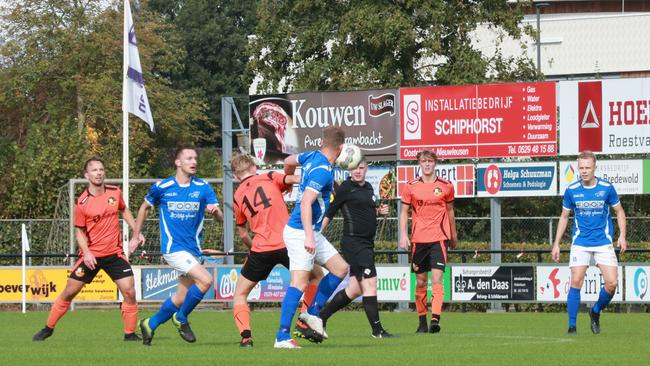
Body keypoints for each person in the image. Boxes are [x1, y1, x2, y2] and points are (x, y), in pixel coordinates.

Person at [32, 157, 144, 341]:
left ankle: (130, 334)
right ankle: (48, 328)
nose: (98, 173)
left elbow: (124, 211)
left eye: (101, 169)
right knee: (69, 292)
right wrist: (88, 253)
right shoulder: (82, 203)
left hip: (115, 254)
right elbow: (79, 232)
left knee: (130, 292)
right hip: (91, 256)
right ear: (87, 175)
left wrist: (136, 231)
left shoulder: (115, 192)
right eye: (94, 170)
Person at [131, 145, 223, 346]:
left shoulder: (203, 187)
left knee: (180, 297)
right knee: (206, 280)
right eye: (189, 158)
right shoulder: (162, 187)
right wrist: (135, 235)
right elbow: (144, 207)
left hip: (193, 250)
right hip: (173, 249)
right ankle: (181, 318)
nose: (194, 162)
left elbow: (221, 219)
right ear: (178, 162)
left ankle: (150, 324)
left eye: (195, 158)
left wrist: (215, 212)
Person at [230, 153, 323, 347]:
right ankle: (304, 319)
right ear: (254, 167)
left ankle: (246, 337)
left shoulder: (237, 195)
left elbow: (242, 233)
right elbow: (292, 178)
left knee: (240, 294)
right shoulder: (268, 176)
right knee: (316, 275)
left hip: (261, 249)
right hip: (287, 244)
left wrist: (253, 249)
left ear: (236, 175)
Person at [274, 126, 350, 349]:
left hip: (309, 231)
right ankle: (282, 337)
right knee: (298, 283)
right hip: (301, 232)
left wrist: (289, 178)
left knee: (340, 268)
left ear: (322, 143)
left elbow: (288, 159)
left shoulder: (311, 156)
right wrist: (308, 237)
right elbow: (307, 202)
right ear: (341, 148)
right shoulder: (323, 171)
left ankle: (312, 313)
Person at [552, 150, 627, 335]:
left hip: (603, 241)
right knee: (576, 280)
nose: (584, 171)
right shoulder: (571, 190)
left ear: (595, 168)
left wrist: (622, 235)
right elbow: (564, 217)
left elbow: (620, 211)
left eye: (587, 167)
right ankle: (572, 326)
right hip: (581, 242)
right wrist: (556, 243)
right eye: (581, 168)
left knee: (612, 284)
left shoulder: (606, 188)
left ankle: (595, 312)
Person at [318, 157, 393, 338]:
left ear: (366, 168)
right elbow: (331, 211)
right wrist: (316, 234)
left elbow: (365, 211)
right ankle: (377, 330)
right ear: (349, 170)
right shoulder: (345, 188)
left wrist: (378, 211)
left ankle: (321, 317)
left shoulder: (368, 188)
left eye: (361, 167)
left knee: (355, 289)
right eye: (354, 168)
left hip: (366, 243)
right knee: (370, 283)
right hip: (354, 243)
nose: (358, 171)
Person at [399, 150, 457, 334]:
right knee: (421, 282)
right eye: (424, 161)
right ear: (419, 164)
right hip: (418, 241)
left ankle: (435, 319)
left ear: (435, 164)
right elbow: (404, 213)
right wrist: (403, 235)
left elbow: (450, 212)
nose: (427, 164)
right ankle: (422, 321)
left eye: (430, 161)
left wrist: (453, 236)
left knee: (438, 279)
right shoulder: (410, 186)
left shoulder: (446, 186)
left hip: (439, 239)